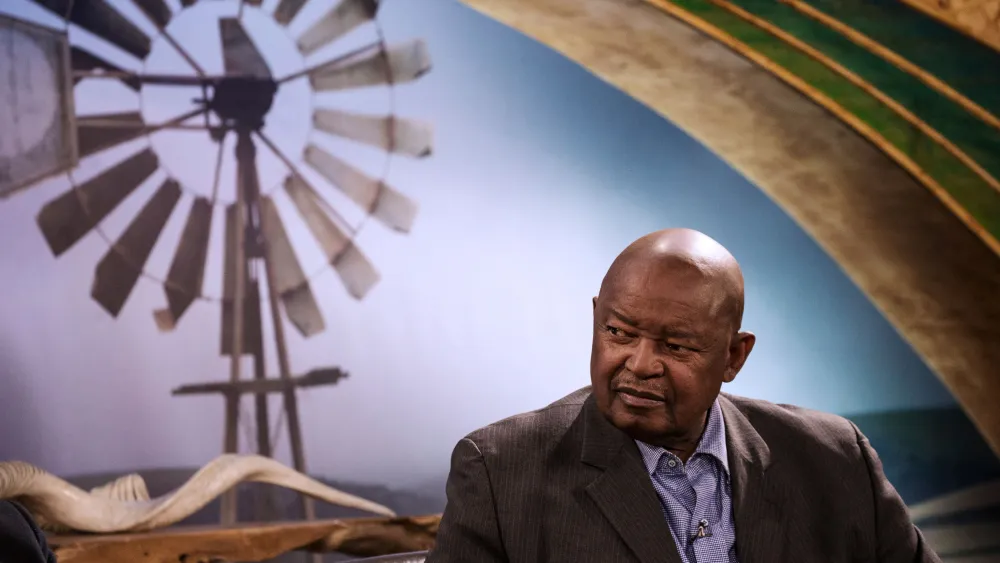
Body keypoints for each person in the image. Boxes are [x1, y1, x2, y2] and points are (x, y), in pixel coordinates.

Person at [426, 228, 939, 563]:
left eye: (675, 345)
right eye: (619, 333)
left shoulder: (834, 457)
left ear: (734, 357)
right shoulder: (500, 472)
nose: (640, 364)